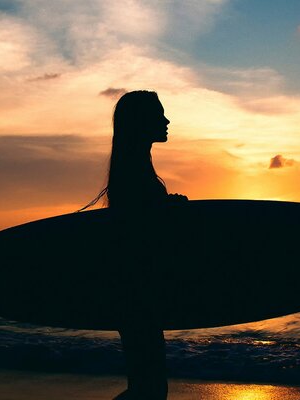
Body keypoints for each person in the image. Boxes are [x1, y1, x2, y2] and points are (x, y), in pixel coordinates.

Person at [80, 90, 186, 400]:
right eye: (159, 115)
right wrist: (167, 209)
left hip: (133, 290)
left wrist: (166, 205)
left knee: (147, 384)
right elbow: (138, 226)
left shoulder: (134, 167)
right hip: (136, 291)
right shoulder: (134, 172)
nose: (166, 121)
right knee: (149, 387)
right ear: (140, 121)